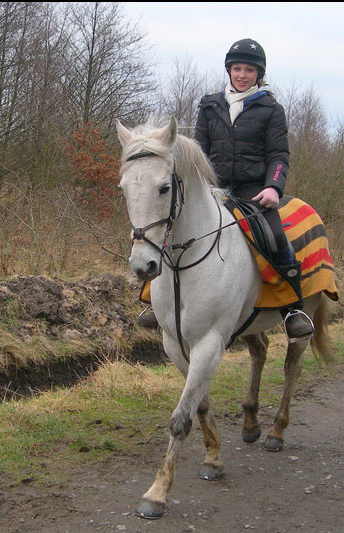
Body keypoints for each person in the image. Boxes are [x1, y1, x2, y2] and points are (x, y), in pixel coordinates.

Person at [138, 38, 313, 343]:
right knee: (168, 229)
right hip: (212, 186)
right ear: (229, 71)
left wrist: (273, 187)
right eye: (236, 68)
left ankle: (292, 309)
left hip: (253, 190)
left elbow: (278, 156)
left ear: (258, 74)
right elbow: (200, 151)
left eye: (248, 69)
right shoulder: (210, 104)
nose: (242, 74)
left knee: (273, 237)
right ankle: (155, 299)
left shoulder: (272, 109)